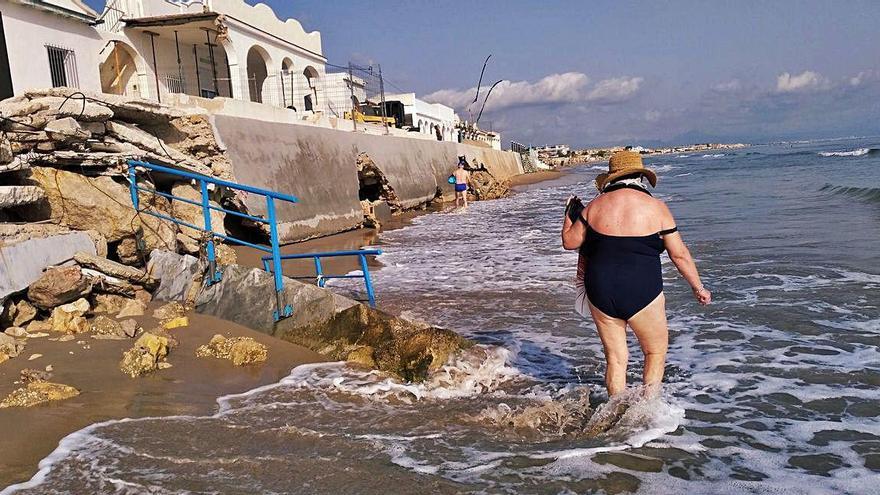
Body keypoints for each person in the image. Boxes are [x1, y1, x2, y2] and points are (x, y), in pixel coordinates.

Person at [561, 151, 711, 397]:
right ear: (640, 177)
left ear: (612, 179)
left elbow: (570, 242)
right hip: (642, 289)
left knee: (616, 359)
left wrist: (569, 215)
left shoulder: (594, 206)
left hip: (600, 289)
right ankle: (645, 414)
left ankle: (614, 412)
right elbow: (679, 254)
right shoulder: (657, 208)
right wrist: (698, 288)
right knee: (654, 352)